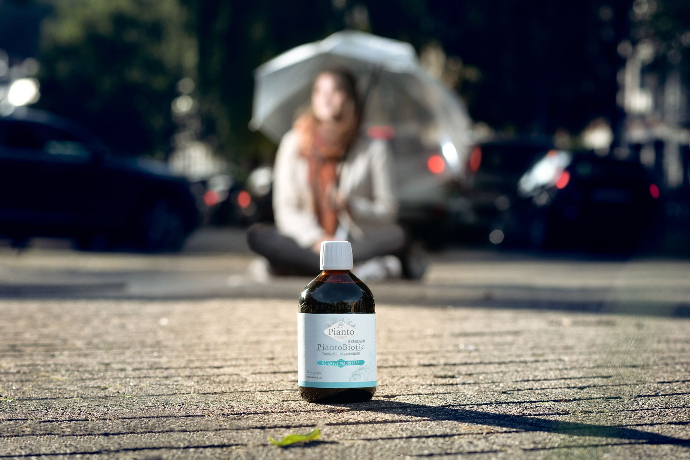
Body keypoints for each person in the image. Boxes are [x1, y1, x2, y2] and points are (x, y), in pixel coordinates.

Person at [247, 67, 421, 280]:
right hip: (309, 243)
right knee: (259, 236)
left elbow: (388, 210)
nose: (326, 98)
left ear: (349, 98)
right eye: (319, 91)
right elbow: (286, 210)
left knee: (398, 235)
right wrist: (318, 240)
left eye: (335, 91)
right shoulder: (294, 143)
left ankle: (305, 268)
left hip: (355, 243)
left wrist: (351, 206)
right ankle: (351, 270)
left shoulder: (373, 149)